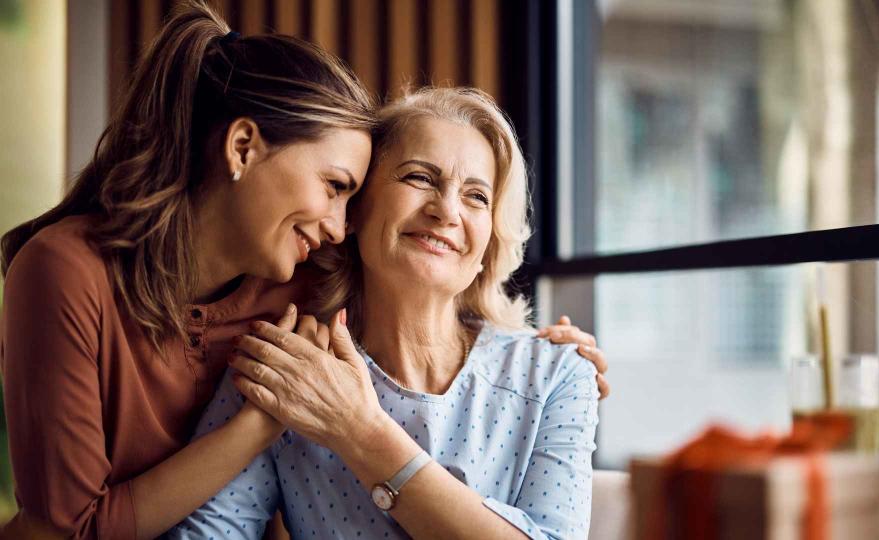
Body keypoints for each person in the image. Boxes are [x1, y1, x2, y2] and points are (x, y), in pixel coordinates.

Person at [0, 3, 605, 538]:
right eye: (417, 177)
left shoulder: (301, 286)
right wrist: (265, 422)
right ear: (242, 149)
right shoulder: (291, 336)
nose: (337, 226)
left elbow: (428, 290)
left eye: (478, 196)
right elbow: (83, 529)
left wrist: (557, 358)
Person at [170, 87, 601, 540]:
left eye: (476, 196)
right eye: (419, 178)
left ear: (487, 245)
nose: (446, 210)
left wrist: (361, 431)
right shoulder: (289, 366)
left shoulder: (558, 373)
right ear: (354, 211)